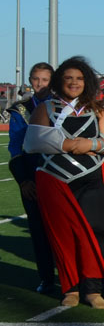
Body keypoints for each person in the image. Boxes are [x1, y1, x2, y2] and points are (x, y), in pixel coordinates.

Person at [26, 57, 104, 308]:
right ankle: (71, 288)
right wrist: (68, 145)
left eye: (79, 78)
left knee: (94, 231)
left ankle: (93, 289)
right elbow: (33, 142)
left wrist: (91, 144)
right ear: (59, 81)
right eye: (68, 78)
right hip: (55, 180)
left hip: (91, 179)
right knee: (62, 235)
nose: (74, 83)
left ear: (87, 82)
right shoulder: (45, 108)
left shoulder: (97, 110)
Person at [7, 62, 57, 293]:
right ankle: (46, 277)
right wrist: (23, 181)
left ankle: (72, 279)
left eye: (45, 80)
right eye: (36, 79)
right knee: (38, 230)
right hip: (32, 175)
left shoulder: (62, 105)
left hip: (61, 174)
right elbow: (15, 147)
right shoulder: (21, 110)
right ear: (30, 81)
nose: (40, 84)